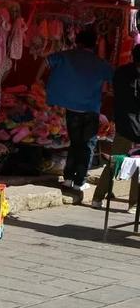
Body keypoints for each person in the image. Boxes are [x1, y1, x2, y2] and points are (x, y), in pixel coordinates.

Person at [35, 28, 113, 191]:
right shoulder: (100, 63)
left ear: (78, 42)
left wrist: (37, 79)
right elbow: (114, 79)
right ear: (94, 44)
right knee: (87, 145)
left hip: (72, 109)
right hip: (91, 110)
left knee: (75, 143)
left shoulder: (66, 56)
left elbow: (47, 61)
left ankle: (68, 178)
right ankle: (80, 181)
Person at [91, 44, 140, 214]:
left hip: (123, 125)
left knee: (115, 162)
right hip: (134, 126)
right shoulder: (133, 76)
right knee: (137, 165)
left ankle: (97, 198)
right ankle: (133, 204)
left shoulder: (120, 72)